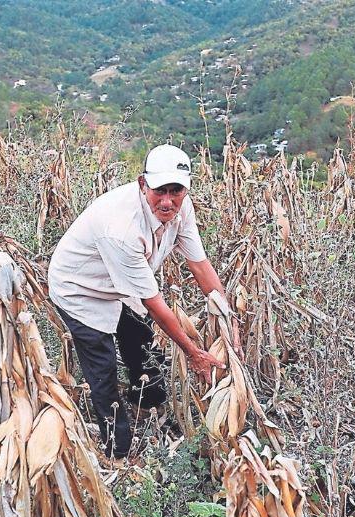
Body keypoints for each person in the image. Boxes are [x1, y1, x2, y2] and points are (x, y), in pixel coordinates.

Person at [47, 144, 229, 461]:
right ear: (142, 183)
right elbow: (155, 304)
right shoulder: (122, 228)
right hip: (80, 288)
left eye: (176, 190)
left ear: (186, 190)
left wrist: (230, 326)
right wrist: (194, 352)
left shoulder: (181, 210)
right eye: (160, 190)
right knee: (102, 370)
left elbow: (200, 266)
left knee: (142, 345)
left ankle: (146, 405)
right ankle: (119, 451)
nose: (168, 200)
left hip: (121, 282)